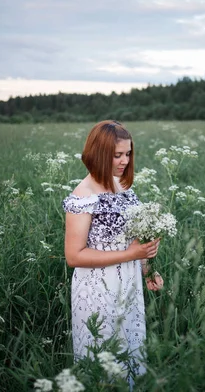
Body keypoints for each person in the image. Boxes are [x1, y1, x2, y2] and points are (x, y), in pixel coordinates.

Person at [62, 120, 164, 381]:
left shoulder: (123, 187)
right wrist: (131, 255)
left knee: (129, 355)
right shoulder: (83, 195)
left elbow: (133, 241)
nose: (124, 161)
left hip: (129, 283)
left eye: (128, 154)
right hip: (97, 288)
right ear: (98, 153)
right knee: (103, 361)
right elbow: (74, 256)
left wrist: (147, 267)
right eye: (117, 155)